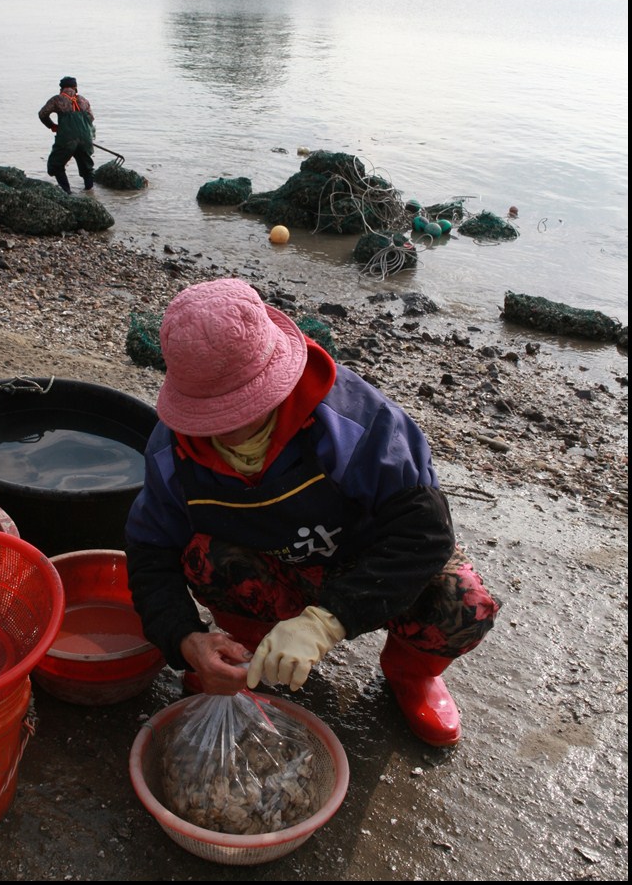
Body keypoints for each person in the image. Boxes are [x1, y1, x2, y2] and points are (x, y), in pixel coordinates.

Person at [125, 277, 501, 747]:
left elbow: (425, 533)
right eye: (211, 415)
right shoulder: (171, 453)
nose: (226, 429)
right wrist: (187, 640)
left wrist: (326, 621)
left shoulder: (354, 421)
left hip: (365, 564)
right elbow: (149, 552)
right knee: (201, 558)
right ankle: (245, 656)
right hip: (271, 567)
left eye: (240, 408)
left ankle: (411, 674)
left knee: (462, 601)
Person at [38, 75, 96, 194]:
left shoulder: (57, 99)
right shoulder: (84, 101)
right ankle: (89, 192)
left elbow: (42, 114)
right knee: (87, 167)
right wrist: (86, 135)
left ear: (61, 88)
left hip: (67, 139)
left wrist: (52, 126)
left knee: (56, 165)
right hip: (85, 138)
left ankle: (67, 193)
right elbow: (91, 118)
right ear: (75, 88)